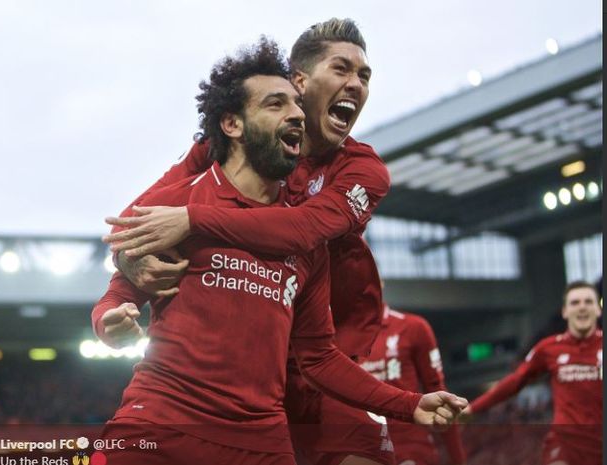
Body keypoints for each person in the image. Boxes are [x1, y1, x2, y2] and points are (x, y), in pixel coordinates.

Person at [94, 38, 467, 465]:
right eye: (341, 69)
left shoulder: (358, 173)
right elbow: (128, 230)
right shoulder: (203, 171)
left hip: (306, 376)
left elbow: (302, 234)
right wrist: (128, 270)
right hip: (166, 419)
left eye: (364, 76)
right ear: (302, 81)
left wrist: (408, 404)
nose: (355, 84)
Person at [460, 281, 602, 465]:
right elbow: (515, 381)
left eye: (588, 302)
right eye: (575, 303)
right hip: (564, 443)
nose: (582, 307)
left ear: (598, 309)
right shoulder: (548, 348)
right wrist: (474, 407)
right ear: (565, 311)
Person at [359, 298, 466, 465]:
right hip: (362, 450)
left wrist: (458, 460)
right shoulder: (336, 339)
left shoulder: (412, 328)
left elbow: (440, 396)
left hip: (409, 448)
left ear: (380, 282)